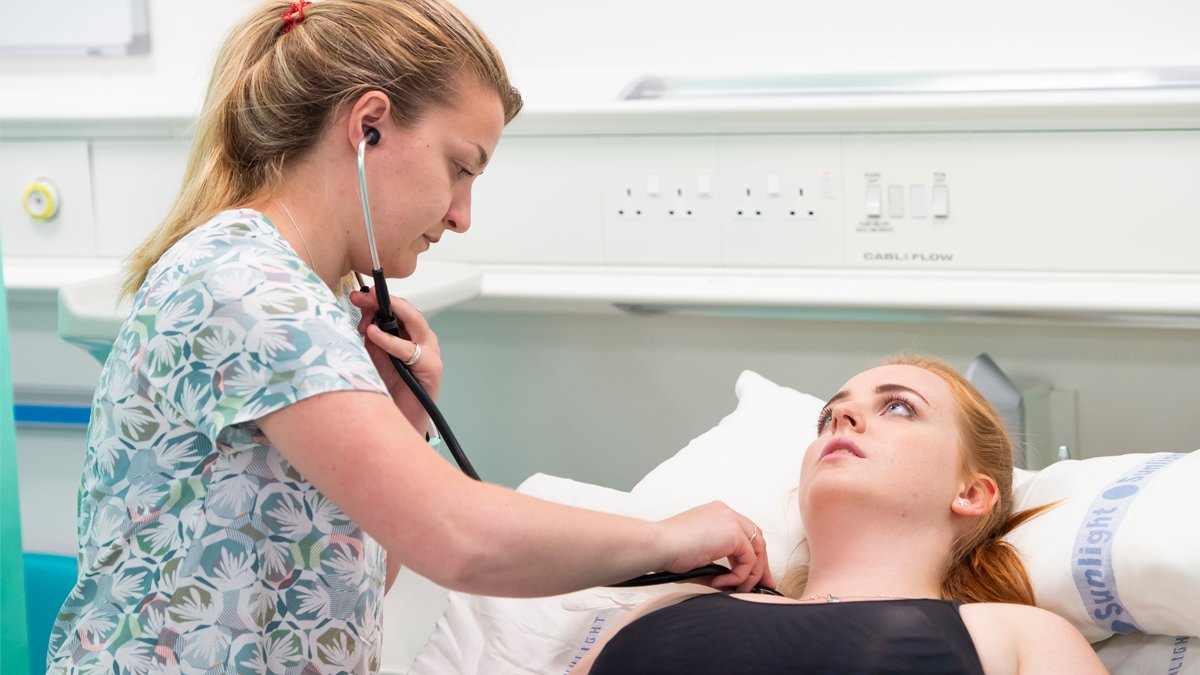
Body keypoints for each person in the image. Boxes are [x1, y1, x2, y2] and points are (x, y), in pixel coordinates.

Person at [46, 1, 770, 672]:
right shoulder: (249, 289)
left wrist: (404, 416)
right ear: (368, 127)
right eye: (459, 168)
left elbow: (356, 581)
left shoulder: (302, 300)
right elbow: (460, 539)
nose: (462, 215)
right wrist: (669, 535)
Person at [575, 355, 1108, 674]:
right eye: (827, 416)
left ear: (971, 492)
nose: (841, 418)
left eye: (898, 406)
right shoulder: (664, 606)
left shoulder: (1020, 636)